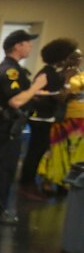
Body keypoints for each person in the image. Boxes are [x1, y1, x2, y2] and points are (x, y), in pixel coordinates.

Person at [0, 30, 48, 224]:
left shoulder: (14, 69)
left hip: (6, 124)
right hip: (5, 124)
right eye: (27, 43)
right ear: (17, 46)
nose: (30, 47)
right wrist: (35, 86)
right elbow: (16, 100)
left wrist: (34, 95)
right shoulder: (10, 71)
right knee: (3, 169)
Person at [19, 39, 70, 201]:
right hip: (40, 118)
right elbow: (38, 96)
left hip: (46, 118)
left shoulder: (53, 73)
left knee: (39, 151)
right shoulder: (47, 74)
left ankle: (30, 183)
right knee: (35, 152)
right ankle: (26, 184)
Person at [37, 41, 83, 194]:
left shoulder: (82, 74)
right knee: (57, 150)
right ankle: (49, 181)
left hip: (80, 121)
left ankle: (66, 182)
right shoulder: (60, 75)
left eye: (79, 58)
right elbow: (59, 97)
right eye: (74, 58)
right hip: (63, 119)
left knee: (74, 152)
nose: (77, 61)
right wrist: (69, 93)